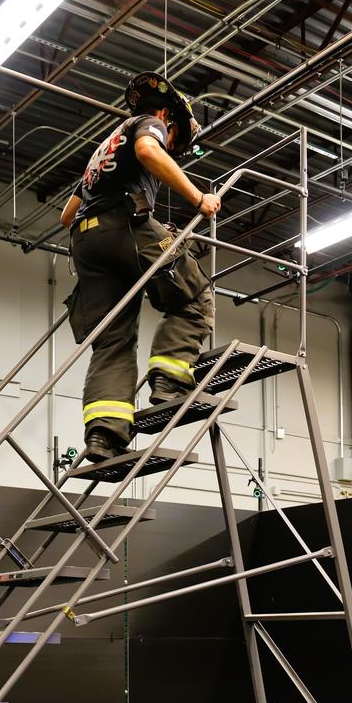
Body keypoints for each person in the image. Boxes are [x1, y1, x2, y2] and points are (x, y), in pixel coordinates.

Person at [60, 71, 222, 463]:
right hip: (124, 223)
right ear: (167, 115)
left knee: (112, 339)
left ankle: (104, 434)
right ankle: (170, 379)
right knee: (194, 293)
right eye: (173, 138)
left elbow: (67, 215)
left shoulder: (104, 150)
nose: (170, 145)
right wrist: (199, 198)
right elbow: (150, 152)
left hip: (85, 242)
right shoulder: (148, 123)